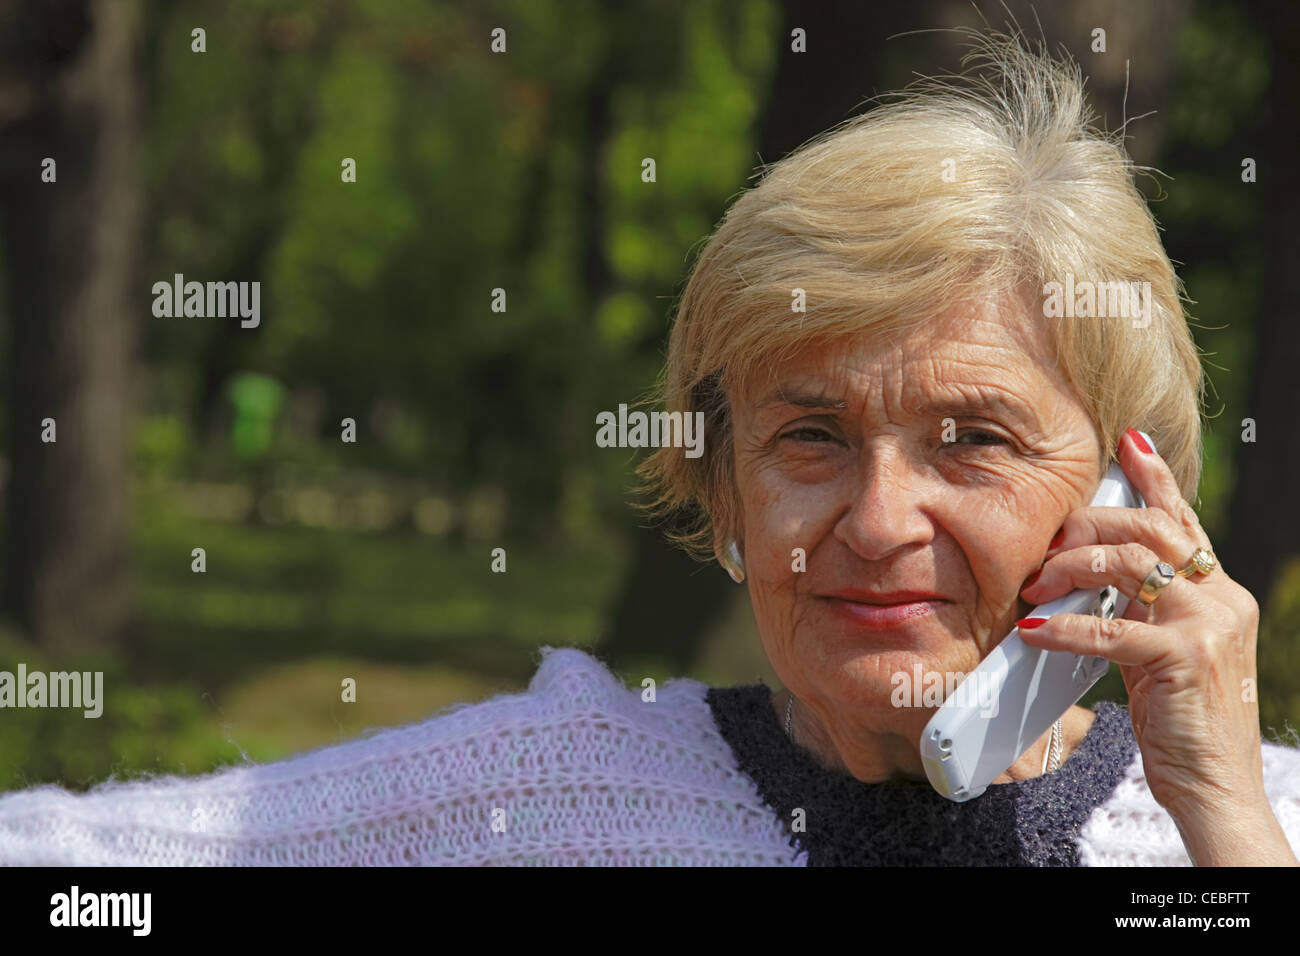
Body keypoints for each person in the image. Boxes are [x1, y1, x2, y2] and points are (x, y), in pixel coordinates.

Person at [2, 33, 1297, 866]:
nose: (879, 516)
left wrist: (1228, 833)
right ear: (724, 488)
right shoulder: (554, 799)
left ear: (1133, 495)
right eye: (810, 436)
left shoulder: (1246, 828)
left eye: (972, 440)